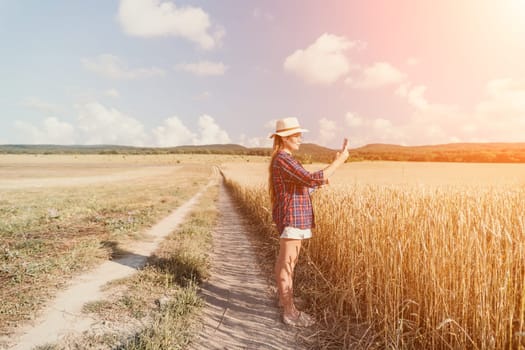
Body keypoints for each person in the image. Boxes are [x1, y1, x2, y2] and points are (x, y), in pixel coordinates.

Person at [268, 117, 350, 327]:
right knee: (288, 264)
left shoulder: (284, 159)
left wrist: (319, 183)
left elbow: (304, 186)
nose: (300, 139)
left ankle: (283, 300)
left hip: (293, 217)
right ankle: (289, 312)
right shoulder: (284, 159)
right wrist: (339, 162)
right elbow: (309, 179)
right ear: (284, 138)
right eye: (296, 135)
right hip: (293, 219)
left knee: (285, 262)